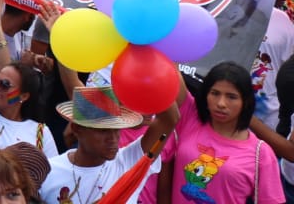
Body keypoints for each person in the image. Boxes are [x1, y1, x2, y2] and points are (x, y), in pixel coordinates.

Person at [165, 62, 283, 204]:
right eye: (215, 93)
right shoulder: (190, 118)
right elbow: (171, 68)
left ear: (245, 101)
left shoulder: (261, 153)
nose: (221, 103)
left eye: (231, 97)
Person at [38, 85, 180, 204]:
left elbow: (170, 118)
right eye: (103, 131)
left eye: (116, 129)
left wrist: (150, 71)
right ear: (77, 129)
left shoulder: (129, 162)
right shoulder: (47, 172)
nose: (113, 138)